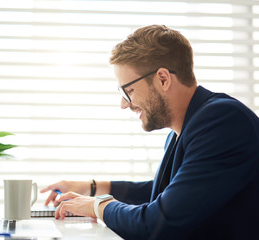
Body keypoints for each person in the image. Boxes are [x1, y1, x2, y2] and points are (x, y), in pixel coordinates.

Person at [40, 25, 259, 240]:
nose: (124, 104)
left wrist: (98, 207)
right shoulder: (186, 128)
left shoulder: (222, 121)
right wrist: (93, 188)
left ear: (163, 79)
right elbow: (168, 193)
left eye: (129, 91)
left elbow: (158, 224)